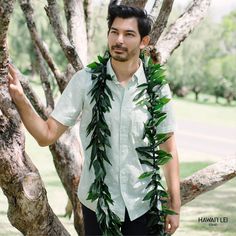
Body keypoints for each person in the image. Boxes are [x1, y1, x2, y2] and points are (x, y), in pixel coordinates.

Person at [8, 2, 181, 235]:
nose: (119, 40)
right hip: (98, 206)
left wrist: (174, 204)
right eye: (114, 32)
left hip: (144, 207)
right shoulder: (85, 81)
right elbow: (46, 135)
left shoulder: (156, 88)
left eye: (128, 34)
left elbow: (168, 147)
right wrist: (20, 98)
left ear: (144, 42)